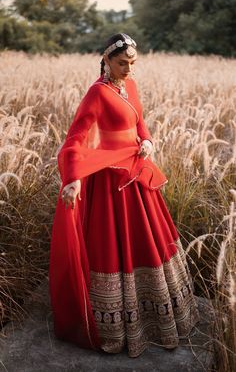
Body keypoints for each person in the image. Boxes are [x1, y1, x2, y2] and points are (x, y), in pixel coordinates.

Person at [49, 32, 200, 358]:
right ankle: (116, 327)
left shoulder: (128, 86)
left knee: (148, 240)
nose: (129, 69)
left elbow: (139, 122)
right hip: (110, 184)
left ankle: (156, 318)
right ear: (106, 60)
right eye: (122, 63)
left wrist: (147, 140)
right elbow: (75, 138)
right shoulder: (96, 93)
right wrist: (73, 179)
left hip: (136, 174)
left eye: (132, 63)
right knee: (114, 247)